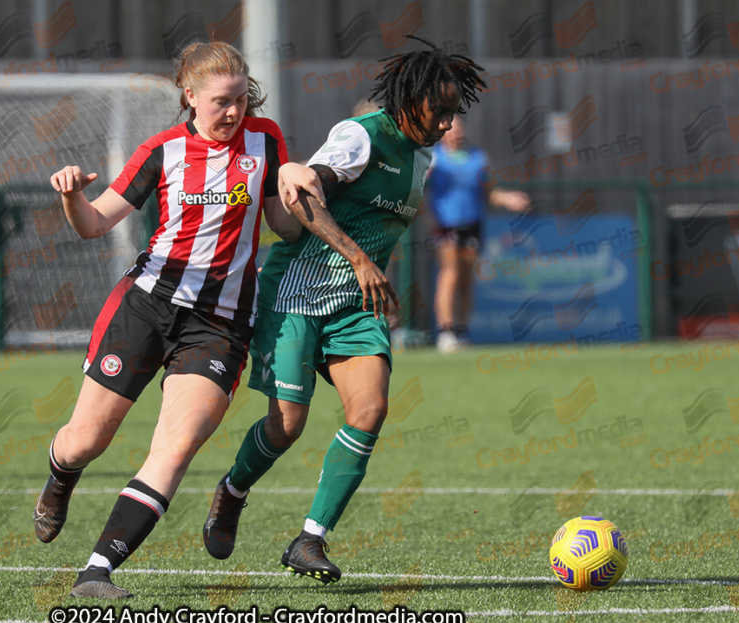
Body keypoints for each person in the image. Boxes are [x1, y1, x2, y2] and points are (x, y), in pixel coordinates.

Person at [35, 41, 317, 598]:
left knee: (176, 447)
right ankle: (61, 477)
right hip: (145, 306)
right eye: (219, 102)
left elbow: (285, 228)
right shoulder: (161, 150)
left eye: (239, 99)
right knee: (84, 441)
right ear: (189, 96)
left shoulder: (266, 139)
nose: (232, 112)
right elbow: (93, 224)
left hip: (221, 324)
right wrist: (72, 196)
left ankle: (97, 572)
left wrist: (296, 190)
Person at [201, 37, 486, 584]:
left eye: (455, 113)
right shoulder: (361, 136)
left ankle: (310, 540)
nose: (448, 123)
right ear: (412, 99)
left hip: (355, 307)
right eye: (440, 110)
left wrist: (370, 272)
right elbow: (303, 196)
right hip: (294, 295)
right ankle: (233, 491)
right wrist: (358, 258)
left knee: (371, 410)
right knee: (287, 426)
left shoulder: (423, 157)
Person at [425, 116, 530, 352]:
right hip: (446, 225)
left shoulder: (478, 158)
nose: (455, 132)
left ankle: (462, 331)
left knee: (466, 280)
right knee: (449, 275)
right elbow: (421, 189)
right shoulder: (434, 159)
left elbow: (490, 193)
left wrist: (508, 199)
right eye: (450, 128)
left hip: (472, 225)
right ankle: (446, 332)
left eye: (459, 128)